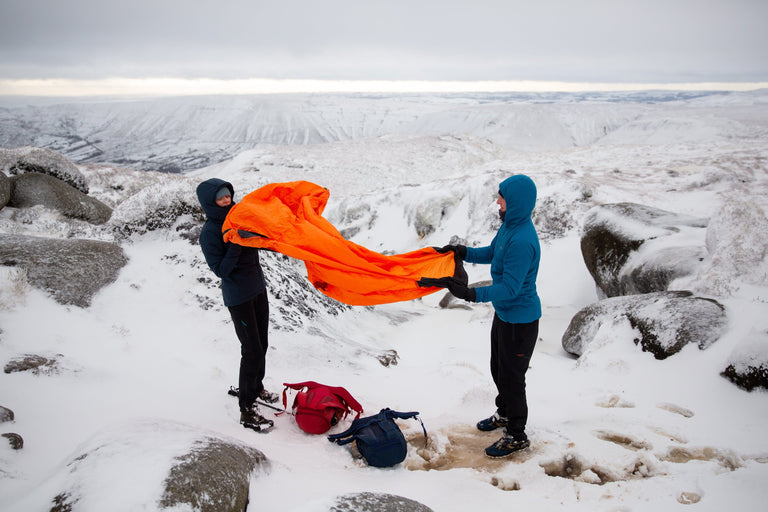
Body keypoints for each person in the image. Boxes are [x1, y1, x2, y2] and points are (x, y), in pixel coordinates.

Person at [418, 174, 541, 457]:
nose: (497, 202)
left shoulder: (523, 240)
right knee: (499, 368)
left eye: (502, 198)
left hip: (521, 321)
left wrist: (470, 294)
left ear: (516, 203)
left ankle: (516, 434)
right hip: (505, 316)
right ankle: (505, 414)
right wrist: (463, 252)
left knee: (513, 378)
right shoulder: (511, 227)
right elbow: (492, 253)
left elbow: (510, 288)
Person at [196, 178, 278, 432]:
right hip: (239, 297)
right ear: (210, 202)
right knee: (251, 349)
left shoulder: (240, 217)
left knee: (262, 343)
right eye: (220, 197)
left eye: (228, 195)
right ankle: (246, 408)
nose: (226, 200)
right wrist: (236, 242)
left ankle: (256, 387)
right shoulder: (210, 233)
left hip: (257, 289)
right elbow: (221, 270)